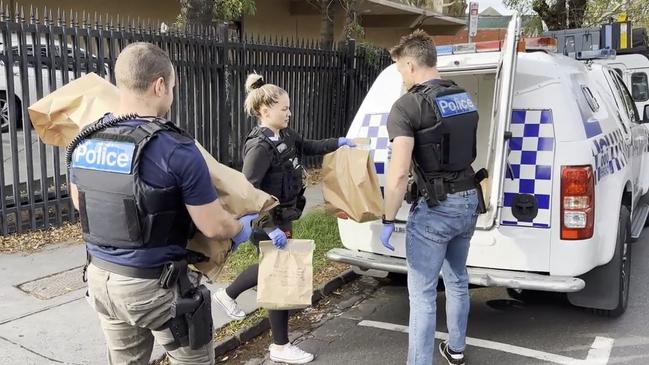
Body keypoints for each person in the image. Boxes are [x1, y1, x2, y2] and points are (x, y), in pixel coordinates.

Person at [67, 42, 258, 365]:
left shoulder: (87, 138)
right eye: (171, 87)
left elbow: (79, 203)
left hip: (102, 281)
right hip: (156, 288)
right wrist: (240, 228)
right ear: (159, 85)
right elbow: (211, 224)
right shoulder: (175, 147)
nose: (171, 94)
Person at [212, 73, 356, 364]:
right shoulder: (259, 148)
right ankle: (280, 346)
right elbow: (247, 193)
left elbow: (310, 147)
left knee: (272, 269)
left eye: (289, 108)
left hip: (283, 217)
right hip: (268, 222)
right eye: (284, 108)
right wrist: (270, 227)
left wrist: (338, 142)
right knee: (279, 276)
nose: (289, 113)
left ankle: (228, 295)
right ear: (265, 110)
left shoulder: (286, 136)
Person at [380, 30, 481, 365]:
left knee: (422, 294)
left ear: (410, 64)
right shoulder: (462, 96)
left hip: (436, 209)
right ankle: (456, 349)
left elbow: (398, 174)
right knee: (457, 280)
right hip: (469, 201)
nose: (400, 77)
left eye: (399, 70)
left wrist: (387, 217)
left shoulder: (406, 106)